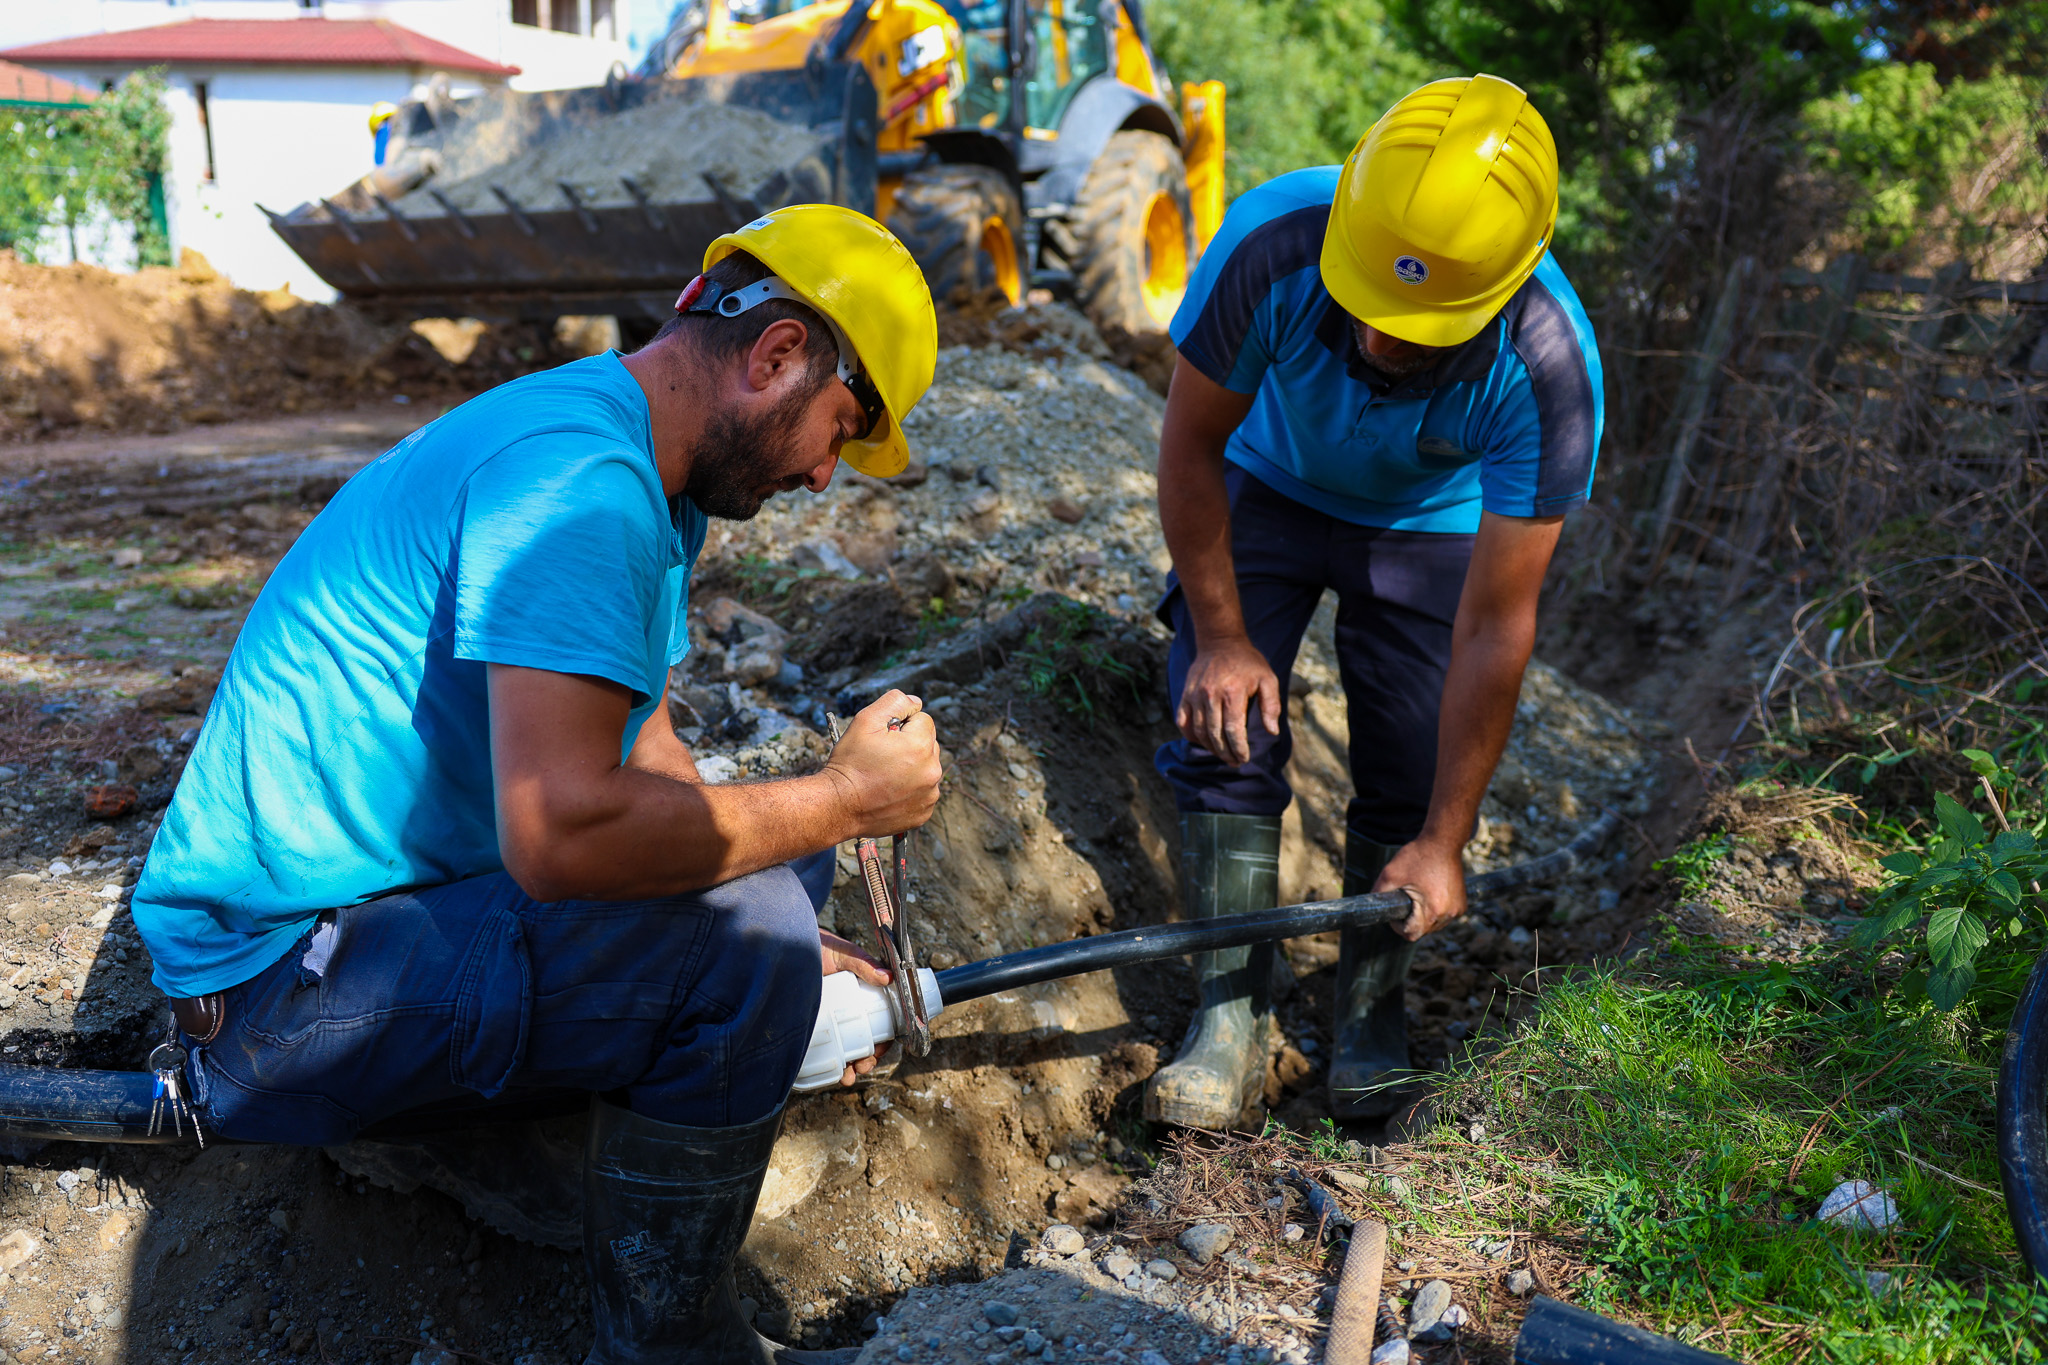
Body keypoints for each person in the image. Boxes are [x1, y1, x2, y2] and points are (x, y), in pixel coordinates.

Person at [129, 204, 940, 1364]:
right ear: (775, 358)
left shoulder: (630, 468)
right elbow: (561, 837)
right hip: (275, 992)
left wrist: (799, 887)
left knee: (775, 881)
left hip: (359, 921)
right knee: (745, 932)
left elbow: (641, 746)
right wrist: (848, 802)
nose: (822, 472)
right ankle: (671, 1343)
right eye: (836, 428)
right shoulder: (582, 488)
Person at [1144, 74, 1603, 1130]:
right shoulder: (1269, 243)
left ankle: (1370, 1016)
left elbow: (1496, 626)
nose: (1384, 341)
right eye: (1369, 307)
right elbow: (1187, 445)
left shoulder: (1548, 370)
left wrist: (1445, 839)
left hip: (1426, 525)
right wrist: (1219, 635)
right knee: (1223, 734)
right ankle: (1228, 1021)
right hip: (1264, 479)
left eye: (1422, 327)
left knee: (1404, 757)